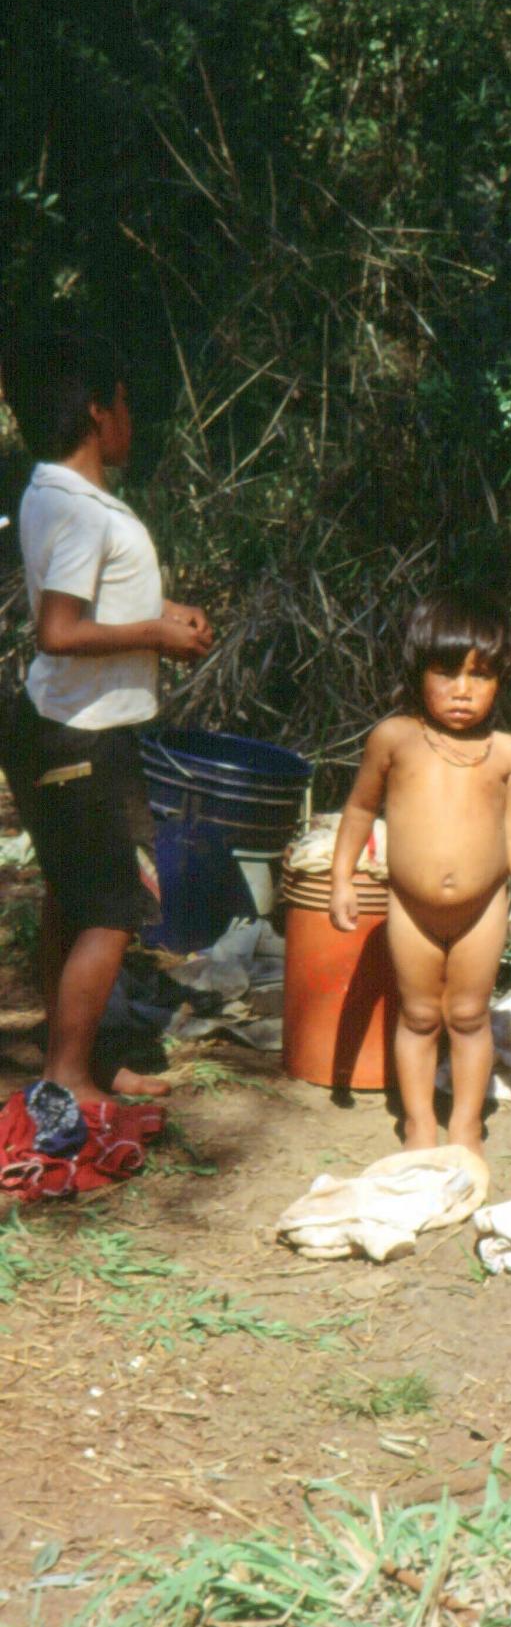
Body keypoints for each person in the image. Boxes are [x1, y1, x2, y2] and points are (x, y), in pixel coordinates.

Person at [0, 331, 214, 1103]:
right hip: (78, 737)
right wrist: (157, 633)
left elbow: (91, 605)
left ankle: (77, 1057)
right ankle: (65, 1077)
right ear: (97, 412)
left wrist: (161, 612)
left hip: (68, 727)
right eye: (123, 405)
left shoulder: (53, 494)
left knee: (72, 897)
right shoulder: (81, 510)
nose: (131, 420)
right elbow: (59, 629)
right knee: (113, 912)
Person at [328, 591, 511, 1154]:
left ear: (501, 680)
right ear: (419, 671)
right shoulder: (395, 739)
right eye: (448, 671)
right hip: (410, 909)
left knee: (467, 1015)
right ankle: (418, 1124)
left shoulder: (505, 752)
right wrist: (341, 877)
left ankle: (465, 1125)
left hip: (481, 910)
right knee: (416, 1017)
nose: (463, 689)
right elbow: (360, 808)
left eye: (481, 676)